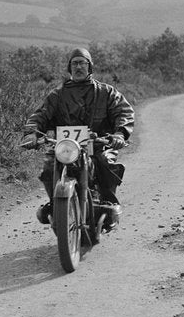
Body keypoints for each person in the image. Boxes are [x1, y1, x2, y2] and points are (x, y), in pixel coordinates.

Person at [22, 47, 134, 229]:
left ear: (90, 67)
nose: (78, 67)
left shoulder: (106, 92)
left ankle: (108, 200)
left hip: (99, 144)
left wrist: (120, 133)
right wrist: (32, 133)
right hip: (67, 147)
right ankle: (55, 202)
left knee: (105, 161)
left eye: (83, 63)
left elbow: (124, 112)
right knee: (50, 166)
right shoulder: (57, 95)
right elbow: (41, 115)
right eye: (75, 63)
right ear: (69, 67)